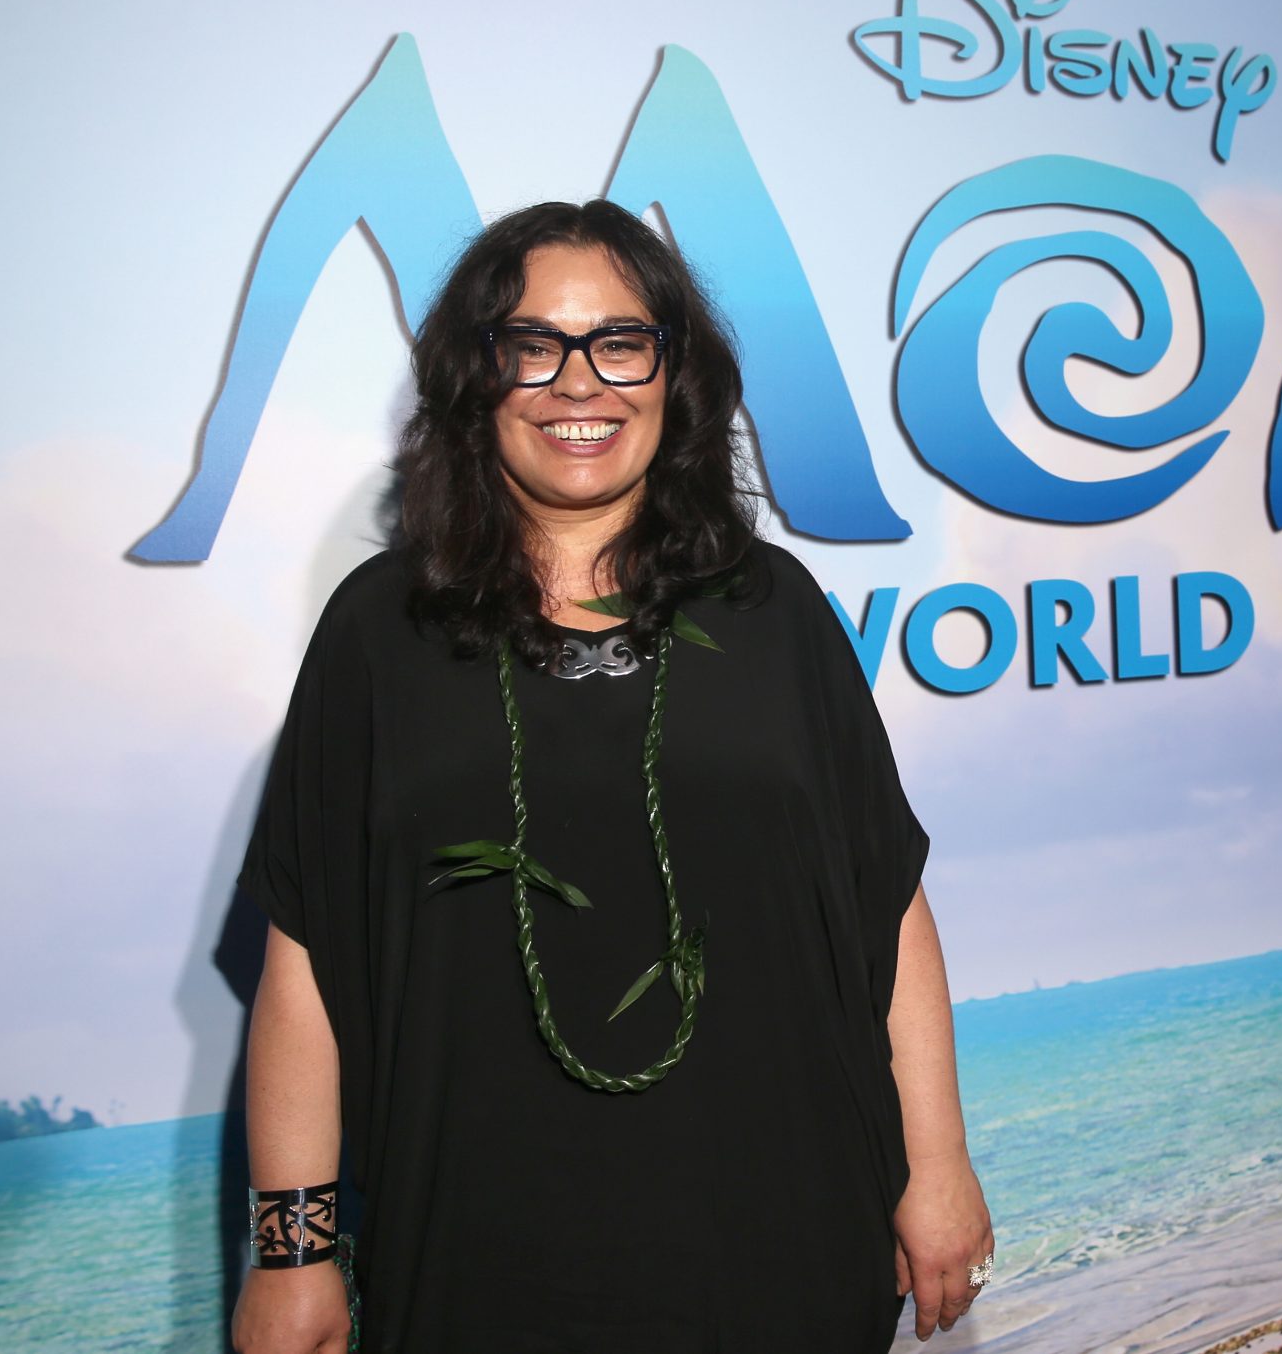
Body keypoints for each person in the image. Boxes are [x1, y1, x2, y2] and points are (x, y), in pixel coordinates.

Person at [230, 199, 993, 1353]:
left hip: (785, 1244)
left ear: (673, 374)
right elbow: (304, 961)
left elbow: (884, 903)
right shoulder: (377, 634)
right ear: (476, 378)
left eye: (619, 342)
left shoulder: (774, 611)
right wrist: (293, 1255)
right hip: (474, 1261)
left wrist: (936, 1167)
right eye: (531, 345)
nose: (578, 382)